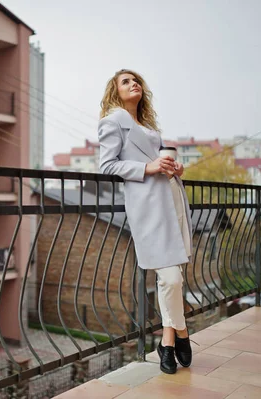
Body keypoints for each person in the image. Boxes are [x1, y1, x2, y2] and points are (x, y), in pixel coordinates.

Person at [98, 69, 193, 374]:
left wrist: (172, 167)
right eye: (125, 81)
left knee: (172, 274)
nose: (133, 83)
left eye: (135, 79)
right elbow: (107, 165)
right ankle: (180, 333)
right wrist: (148, 168)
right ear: (115, 91)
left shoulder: (148, 125)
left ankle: (167, 340)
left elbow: (158, 161)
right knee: (170, 278)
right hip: (149, 207)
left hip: (172, 199)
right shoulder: (112, 121)